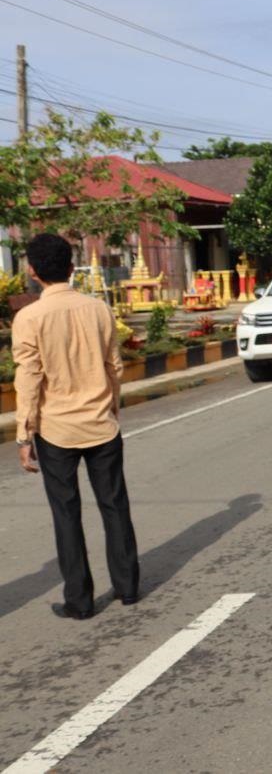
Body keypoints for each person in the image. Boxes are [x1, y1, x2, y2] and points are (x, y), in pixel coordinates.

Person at [13, 233, 139, 619]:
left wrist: (24, 434)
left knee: (66, 513)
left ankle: (80, 601)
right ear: (71, 267)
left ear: (32, 271)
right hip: (101, 423)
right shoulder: (98, 309)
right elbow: (114, 365)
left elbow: (29, 378)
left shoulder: (29, 318)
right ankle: (128, 587)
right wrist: (112, 406)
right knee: (114, 504)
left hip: (56, 430)